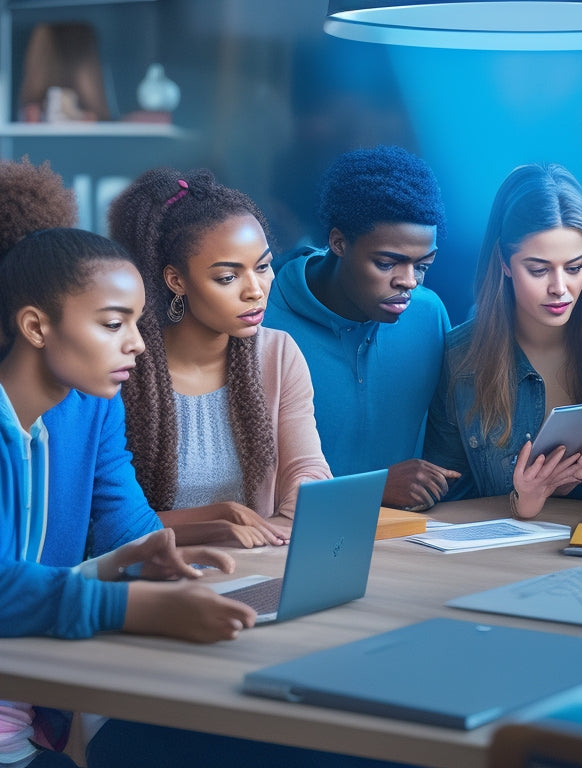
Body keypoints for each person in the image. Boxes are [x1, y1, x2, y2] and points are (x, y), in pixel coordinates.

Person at [0, 220, 260, 767]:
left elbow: (127, 523)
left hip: (30, 717)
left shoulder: (93, 404)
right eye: (114, 323)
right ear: (35, 326)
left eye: (137, 321)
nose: (139, 342)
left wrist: (152, 563)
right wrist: (133, 605)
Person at [108, 167, 331, 548]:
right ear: (176, 280)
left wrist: (283, 532)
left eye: (262, 267)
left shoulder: (277, 354)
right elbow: (110, 523)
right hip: (155, 575)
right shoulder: (123, 366)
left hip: (253, 561)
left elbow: (306, 470)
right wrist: (214, 520)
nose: (255, 290)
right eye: (228, 277)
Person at [424, 163, 582, 519]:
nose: (559, 288)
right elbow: (448, 497)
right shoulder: (460, 357)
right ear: (504, 263)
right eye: (538, 269)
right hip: (503, 560)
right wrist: (522, 503)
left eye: (574, 268)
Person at [264, 144, 458, 511]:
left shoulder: (429, 315)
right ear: (338, 242)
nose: (409, 282)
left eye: (423, 265)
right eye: (387, 263)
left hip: (413, 544)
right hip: (290, 543)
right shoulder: (263, 318)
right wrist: (374, 489)